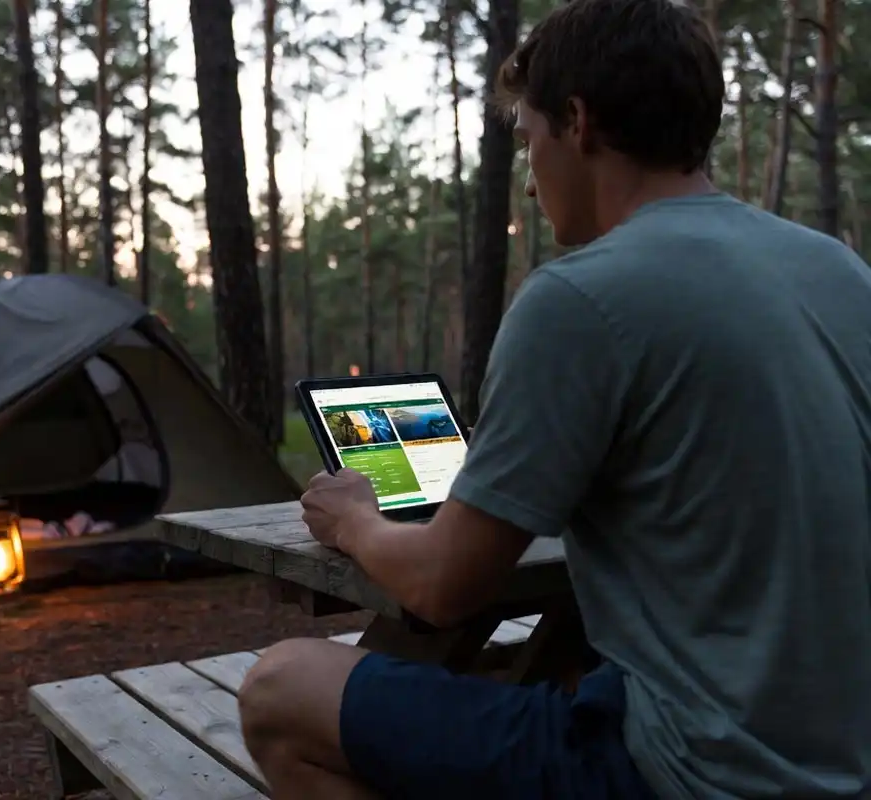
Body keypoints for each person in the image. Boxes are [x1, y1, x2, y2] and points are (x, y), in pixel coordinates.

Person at [235, 0, 871, 797]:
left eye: (529, 138)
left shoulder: (580, 298)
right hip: (847, 760)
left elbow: (442, 587)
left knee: (280, 690)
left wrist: (354, 519)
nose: (531, 182)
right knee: (569, 663)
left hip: (698, 772)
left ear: (578, 122)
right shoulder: (838, 271)